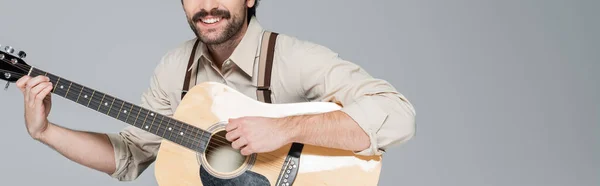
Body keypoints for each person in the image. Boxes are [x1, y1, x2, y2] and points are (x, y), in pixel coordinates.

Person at [15, 0, 416, 182]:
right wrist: (45, 131)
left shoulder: (294, 58)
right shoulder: (176, 67)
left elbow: (397, 115)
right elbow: (130, 157)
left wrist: (287, 129)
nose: (207, 6)